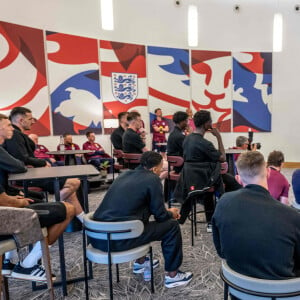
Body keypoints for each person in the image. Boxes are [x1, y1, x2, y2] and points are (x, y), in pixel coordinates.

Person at [92, 151, 193, 288]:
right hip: (118, 240)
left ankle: (141, 262)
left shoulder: (124, 175)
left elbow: (136, 208)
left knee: (138, 222)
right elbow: (161, 216)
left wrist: (165, 212)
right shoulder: (152, 179)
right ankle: (173, 276)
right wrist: (171, 213)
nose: (160, 172)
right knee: (172, 226)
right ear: (154, 169)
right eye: (161, 169)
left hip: (98, 236)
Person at [0, 113, 75, 281]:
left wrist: (15, 197)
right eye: (8, 126)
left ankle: (8, 261)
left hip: (6, 209)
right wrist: (18, 202)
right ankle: (28, 265)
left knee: (37, 201)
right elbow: (17, 168)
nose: (12, 128)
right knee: (68, 209)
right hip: (4, 216)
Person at [212, 151, 300, 281]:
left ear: (239, 178)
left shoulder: (223, 203)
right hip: (280, 291)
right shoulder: (292, 216)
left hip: (237, 286)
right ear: (268, 172)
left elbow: (220, 250)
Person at [3, 107, 85, 223]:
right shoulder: (15, 136)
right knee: (74, 183)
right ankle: (58, 207)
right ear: (21, 120)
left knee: (71, 191)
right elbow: (22, 159)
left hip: (31, 173)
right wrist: (42, 162)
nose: (33, 121)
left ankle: (82, 220)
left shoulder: (19, 135)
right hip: (26, 177)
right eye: (31, 119)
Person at [180, 110, 241, 231]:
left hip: (190, 177)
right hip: (203, 179)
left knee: (228, 179)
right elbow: (222, 158)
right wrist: (219, 137)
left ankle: (213, 219)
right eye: (210, 121)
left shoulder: (187, 139)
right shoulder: (205, 143)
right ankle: (226, 212)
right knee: (232, 183)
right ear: (206, 124)